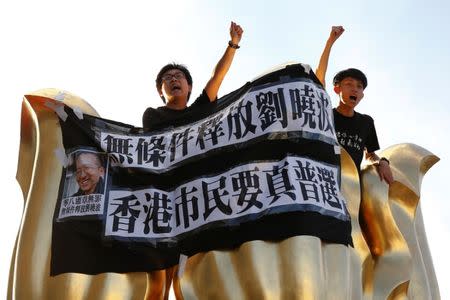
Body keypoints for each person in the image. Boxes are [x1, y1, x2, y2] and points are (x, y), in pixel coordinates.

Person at [316, 26, 394, 184]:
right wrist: (330, 41)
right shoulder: (326, 115)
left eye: (359, 87)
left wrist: (383, 162)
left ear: (362, 95)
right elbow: (319, 78)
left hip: (352, 189)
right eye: (349, 84)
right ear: (337, 89)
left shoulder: (366, 122)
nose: (355, 89)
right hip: (323, 182)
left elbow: (370, 155)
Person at [142, 21, 243, 131]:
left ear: (189, 86)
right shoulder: (152, 114)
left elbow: (217, 77)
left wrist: (233, 44)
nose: (174, 79)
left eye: (178, 75)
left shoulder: (200, 109)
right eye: (168, 77)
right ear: (160, 91)